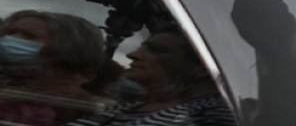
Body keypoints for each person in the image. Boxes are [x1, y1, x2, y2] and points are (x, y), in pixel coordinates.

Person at [69, 25, 234, 126]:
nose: (133, 54)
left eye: (156, 50)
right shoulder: (127, 107)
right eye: (142, 47)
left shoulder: (213, 115)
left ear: (202, 67)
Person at [0, 10, 108, 125]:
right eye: (10, 32)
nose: (10, 39)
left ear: (66, 49)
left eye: (29, 36)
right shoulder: (13, 84)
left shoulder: (65, 106)